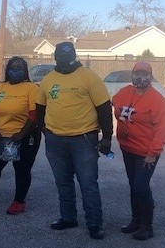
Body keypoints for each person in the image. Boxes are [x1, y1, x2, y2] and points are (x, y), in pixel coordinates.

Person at [36, 42, 113, 239]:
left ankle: (95, 224)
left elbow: (104, 108)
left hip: (84, 139)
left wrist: (106, 138)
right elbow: (40, 108)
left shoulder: (89, 76)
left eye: (67, 55)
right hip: (55, 140)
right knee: (63, 182)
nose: (63, 59)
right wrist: (47, 131)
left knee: (88, 183)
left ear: (75, 55)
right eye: (59, 55)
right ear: (55, 57)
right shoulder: (48, 79)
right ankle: (68, 217)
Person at [112, 62, 165, 240]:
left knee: (141, 187)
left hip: (146, 152)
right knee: (134, 185)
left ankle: (147, 226)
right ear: (132, 75)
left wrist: (153, 153)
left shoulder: (157, 100)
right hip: (128, 148)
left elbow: (163, 129)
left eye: (145, 74)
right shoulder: (124, 92)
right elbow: (112, 103)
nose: (141, 78)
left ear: (151, 76)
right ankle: (136, 220)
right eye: (138, 73)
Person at [0, 57, 41, 214]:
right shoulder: (0, 87)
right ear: (8, 70)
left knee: (21, 170)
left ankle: (19, 201)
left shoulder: (31, 88)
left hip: (25, 137)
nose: (15, 70)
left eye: (19, 67)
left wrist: (21, 134)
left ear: (25, 70)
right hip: (0, 137)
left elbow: (35, 114)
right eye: (12, 67)